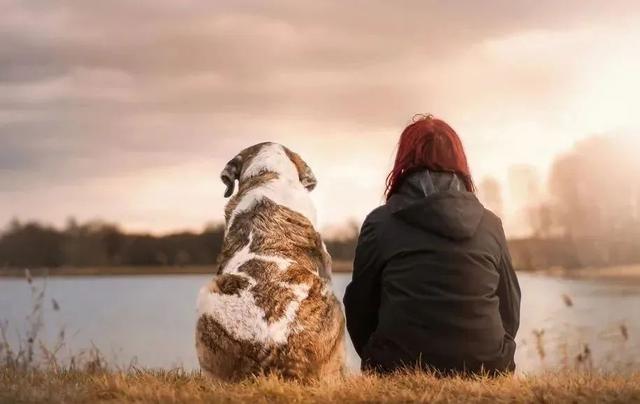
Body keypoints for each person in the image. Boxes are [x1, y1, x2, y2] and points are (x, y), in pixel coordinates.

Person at [343, 114, 521, 375]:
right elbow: (510, 307)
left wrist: (377, 356)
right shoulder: (490, 224)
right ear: (459, 162)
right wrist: (491, 354)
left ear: (404, 162)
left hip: (397, 367)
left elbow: (359, 307)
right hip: (487, 367)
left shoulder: (380, 224)